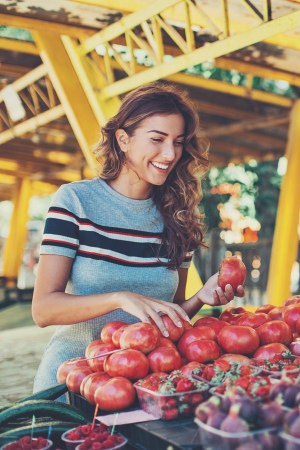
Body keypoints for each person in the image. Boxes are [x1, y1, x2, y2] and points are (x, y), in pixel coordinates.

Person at [32, 82, 244, 393]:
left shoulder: (179, 217)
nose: (170, 153)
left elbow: (167, 320)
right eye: (157, 139)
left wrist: (200, 298)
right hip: (73, 383)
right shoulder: (75, 201)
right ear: (123, 139)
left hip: (145, 390)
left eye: (178, 142)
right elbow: (43, 310)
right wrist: (120, 298)